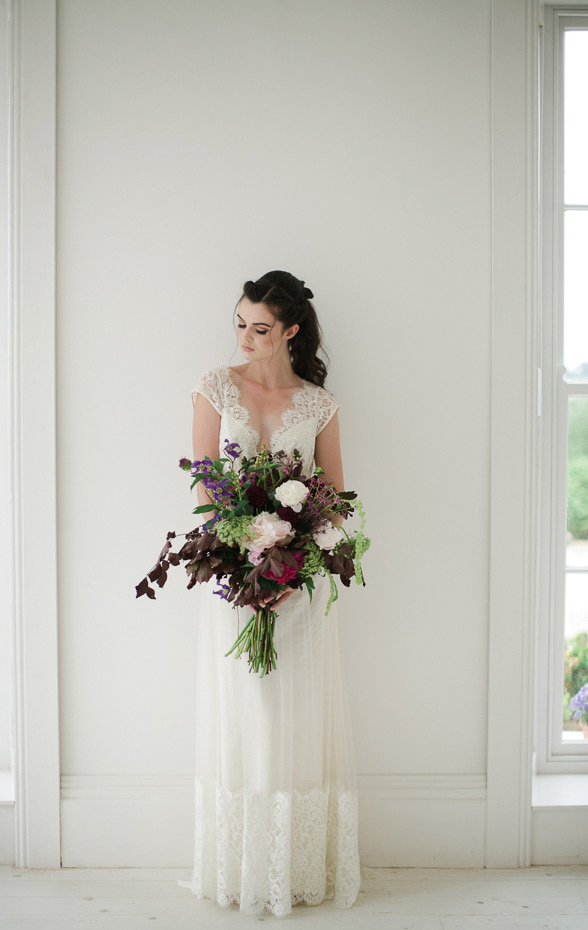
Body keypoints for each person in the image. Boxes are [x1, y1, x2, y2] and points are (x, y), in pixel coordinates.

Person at [188, 270, 361, 918]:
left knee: (293, 718)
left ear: (290, 330)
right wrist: (241, 560)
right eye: (239, 324)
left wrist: (295, 561)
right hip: (231, 579)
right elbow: (206, 485)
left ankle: (290, 869)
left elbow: (336, 494)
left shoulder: (320, 404)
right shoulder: (215, 386)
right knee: (247, 715)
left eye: (259, 328)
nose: (245, 338)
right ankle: (243, 868)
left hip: (298, 586)